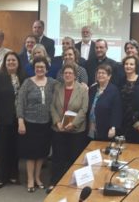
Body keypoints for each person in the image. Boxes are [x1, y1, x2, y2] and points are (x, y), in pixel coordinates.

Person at [17, 57, 57, 192]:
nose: (40, 69)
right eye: (37, 67)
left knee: (41, 153)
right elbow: (20, 103)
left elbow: (67, 86)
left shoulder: (52, 83)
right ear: (34, 68)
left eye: (42, 67)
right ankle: (30, 179)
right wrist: (21, 121)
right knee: (31, 153)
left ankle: (37, 177)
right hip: (30, 124)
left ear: (47, 69)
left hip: (46, 124)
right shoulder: (27, 83)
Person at [0, 52, 26, 189]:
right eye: (8, 60)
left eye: (13, 60)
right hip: (2, 120)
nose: (11, 62)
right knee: (2, 149)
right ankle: (1, 177)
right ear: (5, 63)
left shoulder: (23, 77)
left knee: (15, 149)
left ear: (18, 62)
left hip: (19, 119)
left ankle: (14, 175)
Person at [49, 63, 88, 192]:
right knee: (58, 158)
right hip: (59, 129)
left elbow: (84, 109)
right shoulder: (57, 87)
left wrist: (74, 123)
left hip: (76, 130)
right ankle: (55, 183)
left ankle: (72, 186)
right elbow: (52, 106)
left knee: (73, 158)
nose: (67, 75)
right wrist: (57, 122)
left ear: (75, 75)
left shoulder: (82, 89)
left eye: (70, 73)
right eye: (65, 73)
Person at [87, 64, 122, 141]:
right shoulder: (92, 89)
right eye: (99, 73)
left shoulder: (114, 90)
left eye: (103, 73)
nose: (100, 75)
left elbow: (116, 111)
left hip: (105, 128)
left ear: (109, 76)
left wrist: (113, 127)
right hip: (90, 127)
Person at [118, 55, 139, 142]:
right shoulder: (120, 80)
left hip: (137, 120)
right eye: (126, 64)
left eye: (131, 64)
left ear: (136, 66)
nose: (128, 66)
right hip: (122, 118)